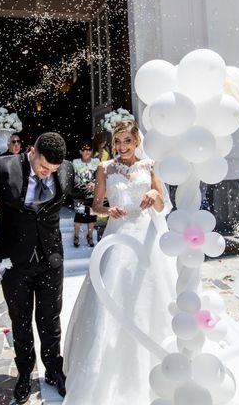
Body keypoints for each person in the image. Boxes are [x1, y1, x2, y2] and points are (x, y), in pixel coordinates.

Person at [63, 120, 173, 405]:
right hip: (117, 235)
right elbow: (95, 205)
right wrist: (107, 210)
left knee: (150, 295)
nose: (122, 147)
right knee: (112, 295)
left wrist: (153, 195)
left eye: (127, 141)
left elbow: (163, 205)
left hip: (146, 237)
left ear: (136, 141)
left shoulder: (150, 166)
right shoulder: (105, 168)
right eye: (117, 142)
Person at [0, 132, 75, 403]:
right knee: (20, 320)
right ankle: (24, 373)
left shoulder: (66, 169)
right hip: (14, 262)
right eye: (43, 167)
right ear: (32, 152)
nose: (47, 174)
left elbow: (82, 196)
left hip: (50, 259)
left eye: (52, 170)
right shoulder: (3, 167)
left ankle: (54, 368)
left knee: (50, 319)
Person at [72, 139, 100, 247]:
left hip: (93, 192)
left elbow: (100, 176)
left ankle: (90, 236)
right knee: (79, 215)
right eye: (84, 150)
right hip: (80, 193)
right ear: (80, 151)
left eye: (89, 150)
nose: (87, 152)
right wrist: (83, 186)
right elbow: (73, 178)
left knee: (91, 216)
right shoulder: (75, 162)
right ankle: (76, 236)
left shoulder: (96, 162)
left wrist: (94, 183)